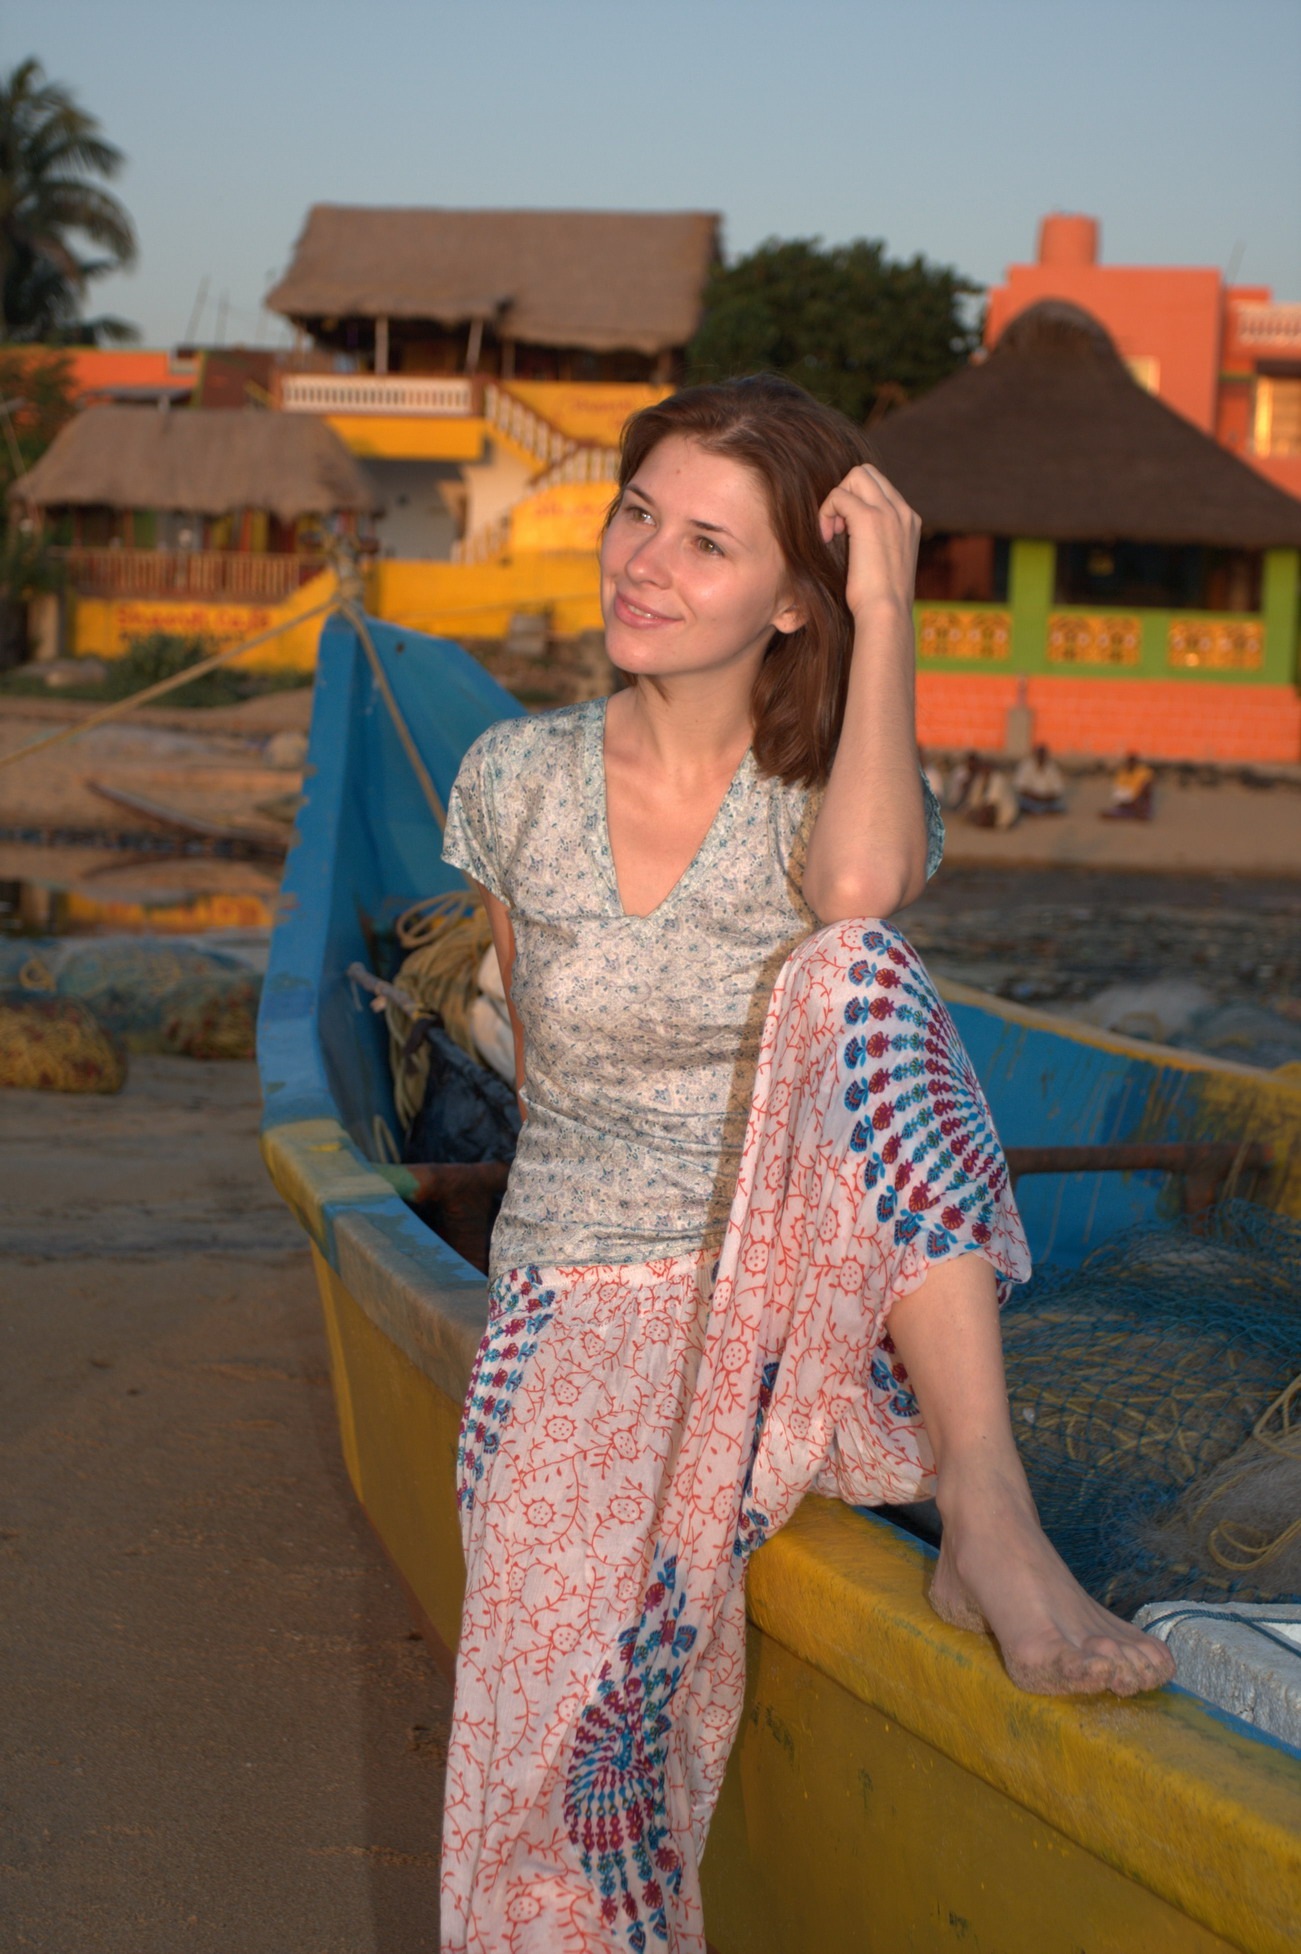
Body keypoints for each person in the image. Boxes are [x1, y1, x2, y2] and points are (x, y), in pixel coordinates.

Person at [439, 377, 1174, 1953]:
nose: (643, 560)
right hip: (587, 1292)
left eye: (706, 543)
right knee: (576, 1735)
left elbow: (858, 890)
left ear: (791, 600)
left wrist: (887, 600)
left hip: (799, 1301)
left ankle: (986, 1501)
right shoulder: (510, 778)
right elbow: (551, 1090)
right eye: (638, 512)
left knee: (859, 968)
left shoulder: (835, 797)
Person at [964, 758, 1020, 829]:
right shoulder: (980, 779)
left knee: (986, 811)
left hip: (1002, 811)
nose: (984, 770)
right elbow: (974, 800)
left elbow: (992, 803)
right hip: (985, 807)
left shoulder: (998, 780)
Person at [1014, 742, 1068, 815]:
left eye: (1043, 755)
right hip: (1031, 800)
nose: (1041, 757)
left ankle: (1039, 810)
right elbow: (1020, 788)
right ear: (1035, 755)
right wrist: (1035, 796)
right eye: (1039, 754)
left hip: (1047, 801)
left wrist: (1044, 798)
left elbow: (1058, 790)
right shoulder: (1026, 766)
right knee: (1022, 803)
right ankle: (1039, 810)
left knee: (1060, 806)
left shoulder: (1052, 768)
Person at [1103, 751, 1155, 820]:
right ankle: (1131, 811)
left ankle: (1139, 810)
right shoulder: (1122, 771)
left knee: (1146, 788)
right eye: (1130, 762)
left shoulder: (1144, 771)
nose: (1131, 764)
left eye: (1133, 762)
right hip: (1129, 796)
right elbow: (1119, 788)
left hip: (1139, 796)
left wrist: (1137, 796)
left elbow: (1147, 786)